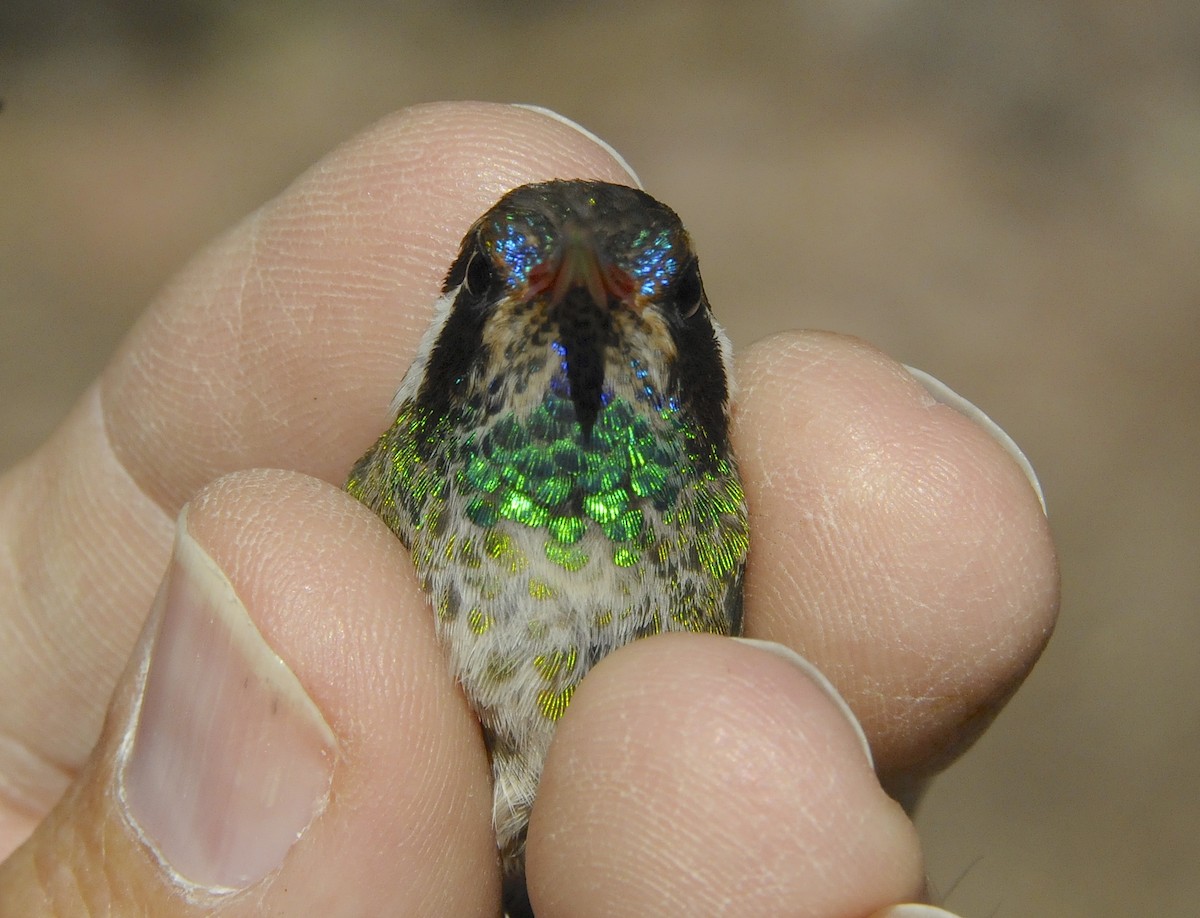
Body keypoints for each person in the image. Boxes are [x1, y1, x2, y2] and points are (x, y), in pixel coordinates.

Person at [0, 102, 1058, 916]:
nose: (583, 298)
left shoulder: (724, 528)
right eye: (501, 284)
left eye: (663, 296)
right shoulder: (375, 505)